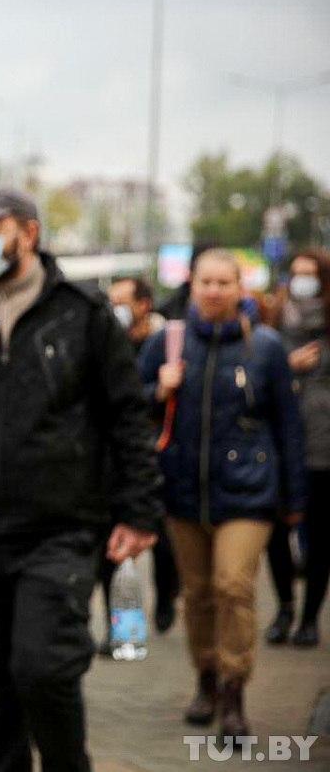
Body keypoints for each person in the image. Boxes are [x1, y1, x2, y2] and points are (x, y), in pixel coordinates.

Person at [0, 185, 160, 772]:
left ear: (28, 233)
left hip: (63, 528)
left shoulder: (83, 312)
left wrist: (140, 511)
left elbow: (128, 416)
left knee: (43, 668)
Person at [140, 248, 306, 738]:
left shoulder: (267, 349)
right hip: (183, 490)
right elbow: (129, 402)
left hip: (249, 492)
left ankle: (234, 690)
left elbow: (288, 427)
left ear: (241, 288)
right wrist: (157, 389)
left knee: (233, 585)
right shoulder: (167, 342)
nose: (214, 291)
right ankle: (206, 678)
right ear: (192, 286)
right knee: (197, 594)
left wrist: (295, 500)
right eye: (205, 282)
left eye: (223, 283)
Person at [101, 277, 179, 643]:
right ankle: (116, 626)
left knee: (160, 539)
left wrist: (162, 389)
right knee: (110, 544)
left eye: (123, 300)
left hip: (158, 454)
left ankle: (166, 594)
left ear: (144, 305)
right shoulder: (102, 339)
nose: (116, 308)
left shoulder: (166, 342)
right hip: (114, 458)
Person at [265, 250, 330, 647]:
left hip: (323, 447)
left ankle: (309, 618)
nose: (303, 281)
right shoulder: (274, 326)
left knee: (321, 536)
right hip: (277, 446)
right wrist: (286, 366)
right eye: (296, 274)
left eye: (312, 275)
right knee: (274, 532)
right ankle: (285, 606)